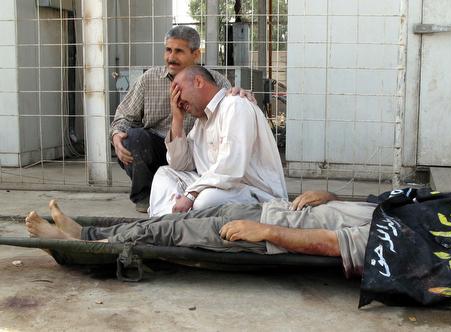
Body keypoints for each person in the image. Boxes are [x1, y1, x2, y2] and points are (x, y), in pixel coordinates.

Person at [25, 191, 375, 278]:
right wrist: (329, 197)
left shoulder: (394, 242)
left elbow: (330, 245)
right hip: (271, 209)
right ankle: (85, 231)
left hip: (268, 234)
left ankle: (78, 247)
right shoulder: (410, 210)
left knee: (165, 233)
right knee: (163, 221)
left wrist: (264, 230)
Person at [110, 26, 252, 213]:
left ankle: (186, 191)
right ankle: (145, 195)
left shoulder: (214, 82)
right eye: (168, 50)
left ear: (196, 55)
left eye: (178, 51)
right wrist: (116, 135)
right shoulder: (149, 79)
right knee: (133, 138)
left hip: (194, 157)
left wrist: (239, 95)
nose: (171, 57)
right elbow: (123, 117)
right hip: (156, 150)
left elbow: (229, 107)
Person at [148, 65, 288, 217]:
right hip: (218, 187)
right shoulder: (201, 122)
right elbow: (180, 164)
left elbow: (230, 167)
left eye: (178, 91)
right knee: (165, 173)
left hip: (256, 193)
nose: (176, 100)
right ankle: (167, 221)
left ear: (198, 82)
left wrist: (191, 194)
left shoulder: (235, 105)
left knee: (204, 201)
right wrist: (177, 118)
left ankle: (177, 218)